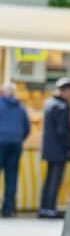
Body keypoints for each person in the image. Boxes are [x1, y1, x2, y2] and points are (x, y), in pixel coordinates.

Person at [39, 77, 70, 219]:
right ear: (65, 91)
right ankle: (50, 210)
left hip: (48, 148)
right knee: (55, 180)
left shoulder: (48, 103)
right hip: (59, 149)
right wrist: (69, 147)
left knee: (48, 180)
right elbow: (62, 131)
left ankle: (43, 208)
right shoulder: (62, 106)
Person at [0, 82, 30, 217]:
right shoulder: (21, 107)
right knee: (11, 176)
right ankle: (7, 209)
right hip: (16, 142)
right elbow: (27, 128)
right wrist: (18, 138)